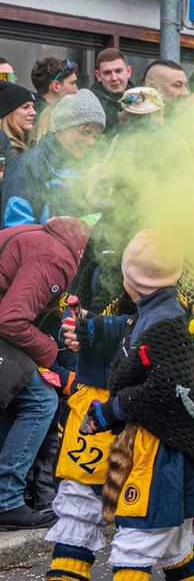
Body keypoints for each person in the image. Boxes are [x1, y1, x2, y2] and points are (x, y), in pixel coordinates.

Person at [71, 230, 194, 581]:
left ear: (129, 280)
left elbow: (162, 389)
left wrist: (110, 411)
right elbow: (134, 332)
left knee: (137, 543)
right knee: (176, 547)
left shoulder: (165, 322)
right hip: (169, 447)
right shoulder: (161, 311)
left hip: (165, 452)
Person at [0, 217, 90, 530]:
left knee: (15, 393)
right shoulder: (56, 257)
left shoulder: (39, 236)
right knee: (40, 401)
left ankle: (21, 494)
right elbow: (11, 321)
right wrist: (51, 353)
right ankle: (7, 501)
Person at [2, 89, 105, 228]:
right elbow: (17, 228)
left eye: (96, 136)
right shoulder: (29, 166)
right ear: (63, 127)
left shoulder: (91, 165)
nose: (91, 142)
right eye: (86, 132)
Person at [30, 57, 80, 142]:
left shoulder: (27, 113)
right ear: (56, 86)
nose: (77, 89)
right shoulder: (41, 119)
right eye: (72, 83)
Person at [90, 49, 135, 132]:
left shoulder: (142, 98)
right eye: (107, 73)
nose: (114, 78)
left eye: (118, 71)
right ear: (98, 75)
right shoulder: (90, 104)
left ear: (129, 71)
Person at [0, 80, 37, 169]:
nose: (33, 112)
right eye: (25, 107)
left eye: (33, 107)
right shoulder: (5, 153)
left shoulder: (31, 144)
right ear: (7, 113)